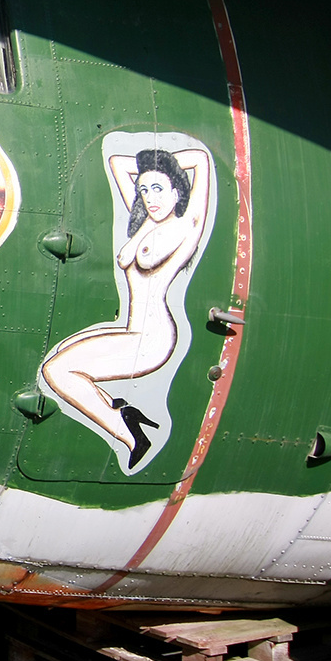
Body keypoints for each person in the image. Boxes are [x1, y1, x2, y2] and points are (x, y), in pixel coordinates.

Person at [40, 146, 213, 470]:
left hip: (153, 339)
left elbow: (201, 161)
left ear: (177, 191)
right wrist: (150, 178)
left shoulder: (187, 225)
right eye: (144, 190)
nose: (149, 197)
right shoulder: (145, 222)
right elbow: (119, 163)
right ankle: (124, 414)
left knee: (57, 371)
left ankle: (131, 435)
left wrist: (170, 164)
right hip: (132, 330)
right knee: (60, 360)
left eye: (158, 189)